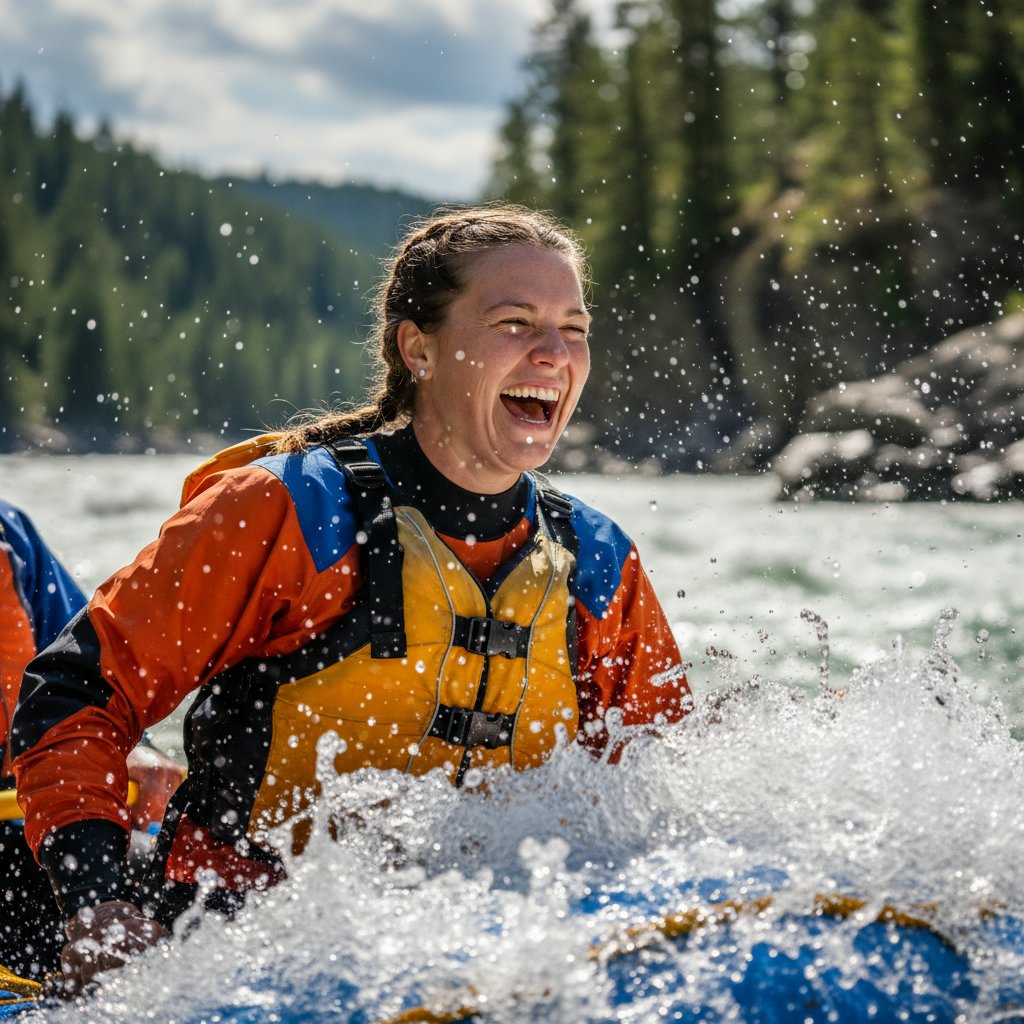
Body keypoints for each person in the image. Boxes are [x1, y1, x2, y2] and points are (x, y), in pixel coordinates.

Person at [12, 204, 692, 993]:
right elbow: (78, 691)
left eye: (573, 329)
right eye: (515, 322)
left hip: (502, 950)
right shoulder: (285, 510)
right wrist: (97, 909)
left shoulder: (598, 561)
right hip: (248, 950)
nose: (553, 353)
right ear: (419, 349)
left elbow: (660, 784)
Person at [0, 498, 183, 981]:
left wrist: (135, 754)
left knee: (188, 893)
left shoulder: (8, 532)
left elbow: (83, 680)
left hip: (21, 830)